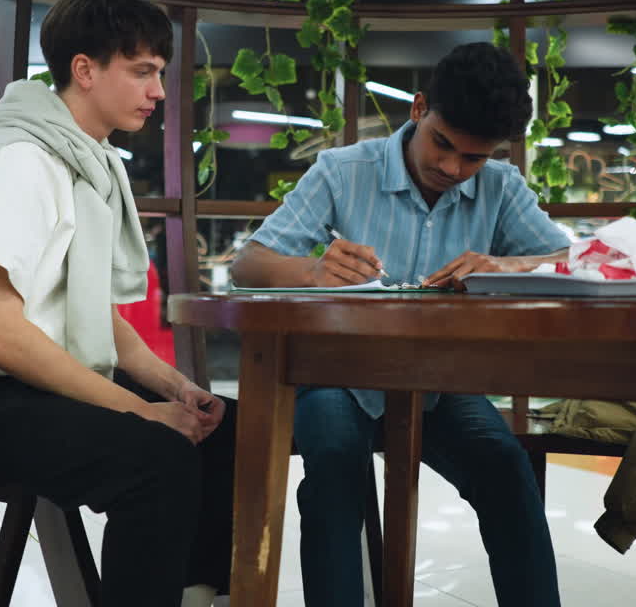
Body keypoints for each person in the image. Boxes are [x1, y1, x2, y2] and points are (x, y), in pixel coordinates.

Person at [0, 0, 234, 607]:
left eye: (159, 73)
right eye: (143, 72)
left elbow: (96, 318)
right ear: (85, 70)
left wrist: (175, 389)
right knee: (158, 459)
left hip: (33, 388)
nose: (158, 91)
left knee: (222, 429)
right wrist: (141, 413)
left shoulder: (86, 160)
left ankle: (198, 594)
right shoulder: (22, 160)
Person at [230, 42, 568, 606]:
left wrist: (505, 264)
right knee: (336, 464)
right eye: (443, 144)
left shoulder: (500, 186)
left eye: (474, 159)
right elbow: (248, 266)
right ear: (418, 109)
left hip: (438, 379)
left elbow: (576, 264)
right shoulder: (343, 170)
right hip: (335, 369)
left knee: (507, 470)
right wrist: (313, 269)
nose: (453, 170)